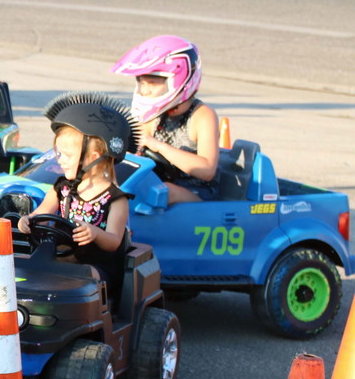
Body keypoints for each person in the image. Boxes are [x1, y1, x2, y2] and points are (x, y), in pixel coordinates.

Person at [19, 93, 138, 295]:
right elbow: (42, 213)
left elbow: (114, 241)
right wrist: (28, 221)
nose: (60, 160)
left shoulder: (116, 199)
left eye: (67, 155)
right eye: (59, 154)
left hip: (96, 266)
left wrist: (95, 233)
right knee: (21, 266)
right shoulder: (61, 189)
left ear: (93, 157)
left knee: (82, 276)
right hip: (60, 256)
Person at [113, 35, 220, 204]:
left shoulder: (202, 115)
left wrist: (159, 146)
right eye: (142, 83)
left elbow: (207, 170)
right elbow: (135, 152)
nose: (145, 90)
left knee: (162, 191)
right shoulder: (151, 114)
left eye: (153, 83)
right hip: (157, 184)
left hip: (197, 193)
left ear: (178, 81)